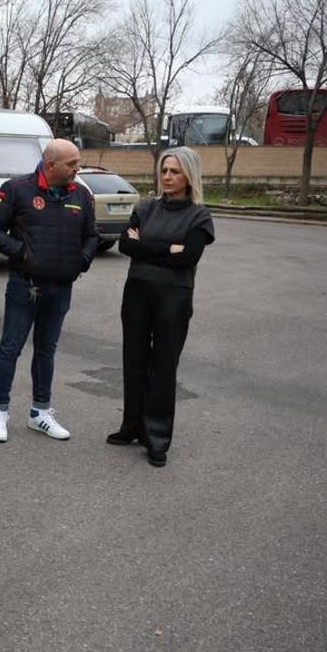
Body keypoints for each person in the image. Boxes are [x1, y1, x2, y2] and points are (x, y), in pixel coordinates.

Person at [0, 138, 98, 443]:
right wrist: (23, 254)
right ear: (50, 165)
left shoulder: (82, 195)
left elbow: (92, 235)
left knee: (47, 351)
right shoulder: (17, 189)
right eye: (72, 164)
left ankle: (40, 413)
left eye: (78, 162)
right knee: (10, 348)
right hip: (24, 287)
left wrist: (80, 262)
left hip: (61, 288)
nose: (77, 168)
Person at [108, 146, 215, 467]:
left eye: (175, 171)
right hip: (137, 292)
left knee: (163, 367)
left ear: (189, 176)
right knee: (134, 361)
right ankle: (131, 426)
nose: (167, 177)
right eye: (164, 170)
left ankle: (156, 437)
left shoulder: (199, 215)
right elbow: (126, 244)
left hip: (174, 296)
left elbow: (188, 257)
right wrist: (168, 247)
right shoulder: (146, 207)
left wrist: (146, 247)